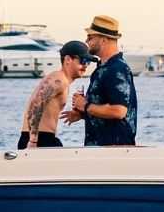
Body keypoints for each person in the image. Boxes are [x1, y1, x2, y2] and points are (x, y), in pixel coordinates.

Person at [62, 15, 138, 146]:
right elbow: (108, 108)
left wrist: (85, 106)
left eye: (90, 37)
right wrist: (83, 114)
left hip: (112, 150)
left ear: (103, 40)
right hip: (102, 149)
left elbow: (119, 111)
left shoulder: (116, 69)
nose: (86, 41)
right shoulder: (104, 68)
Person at [18, 40, 90, 148]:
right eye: (83, 61)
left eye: (88, 62)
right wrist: (33, 141)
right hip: (39, 140)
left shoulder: (62, 80)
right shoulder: (58, 80)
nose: (85, 66)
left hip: (44, 138)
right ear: (68, 59)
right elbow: (36, 104)